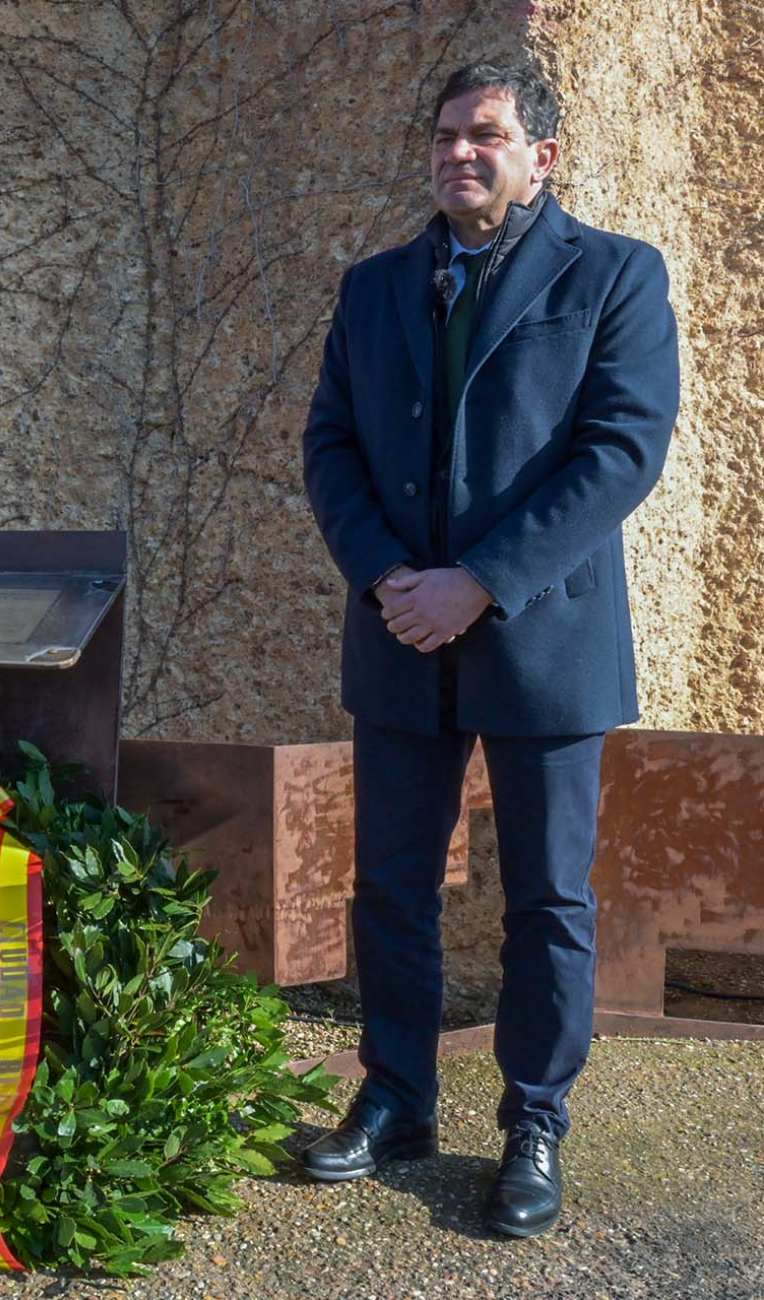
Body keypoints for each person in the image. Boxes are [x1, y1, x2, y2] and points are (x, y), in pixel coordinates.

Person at [299, 62, 678, 1237]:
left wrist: (482, 582)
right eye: (445, 134)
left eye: (486, 134)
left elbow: (621, 451)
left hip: (545, 641)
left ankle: (534, 1121)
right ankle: (396, 1098)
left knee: (548, 899)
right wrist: (388, 577)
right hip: (402, 634)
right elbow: (330, 445)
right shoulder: (373, 287)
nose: (459, 151)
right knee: (391, 886)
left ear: (542, 157)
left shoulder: (615, 274)